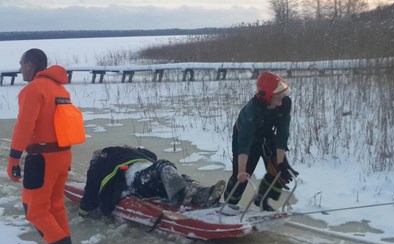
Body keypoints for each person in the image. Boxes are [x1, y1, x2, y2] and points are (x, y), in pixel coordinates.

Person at [6, 48, 79, 244]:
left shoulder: (34, 89)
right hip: (62, 155)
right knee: (54, 206)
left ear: (30, 65)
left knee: (35, 210)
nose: (19, 69)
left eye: (21, 64)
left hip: (42, 158)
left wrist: (14, 158)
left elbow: (24, 126)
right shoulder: (60, 90)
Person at [224, 71, 299, 211]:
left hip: (266, 135)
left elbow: (282, 135)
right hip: (246, 138)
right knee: (241, 177)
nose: (282, 99)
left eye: (283, 94)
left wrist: (281, 162)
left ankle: (262, 199)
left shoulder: (284, 104)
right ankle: (229, 204)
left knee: (278, 170)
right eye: (278, 96)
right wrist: (241, 171)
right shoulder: (252, 112)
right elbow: (244, 144)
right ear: (268, 96)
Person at [79, 146, 226, 217]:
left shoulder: (130, 152)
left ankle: (204, 194)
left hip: (152, 176)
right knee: (163, 166)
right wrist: (84, 210)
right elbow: (92, 183)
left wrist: (136, 149)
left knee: (182, 178)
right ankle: (183, 195)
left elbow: (151, 155)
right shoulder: (105, 157)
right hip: (137, 181)